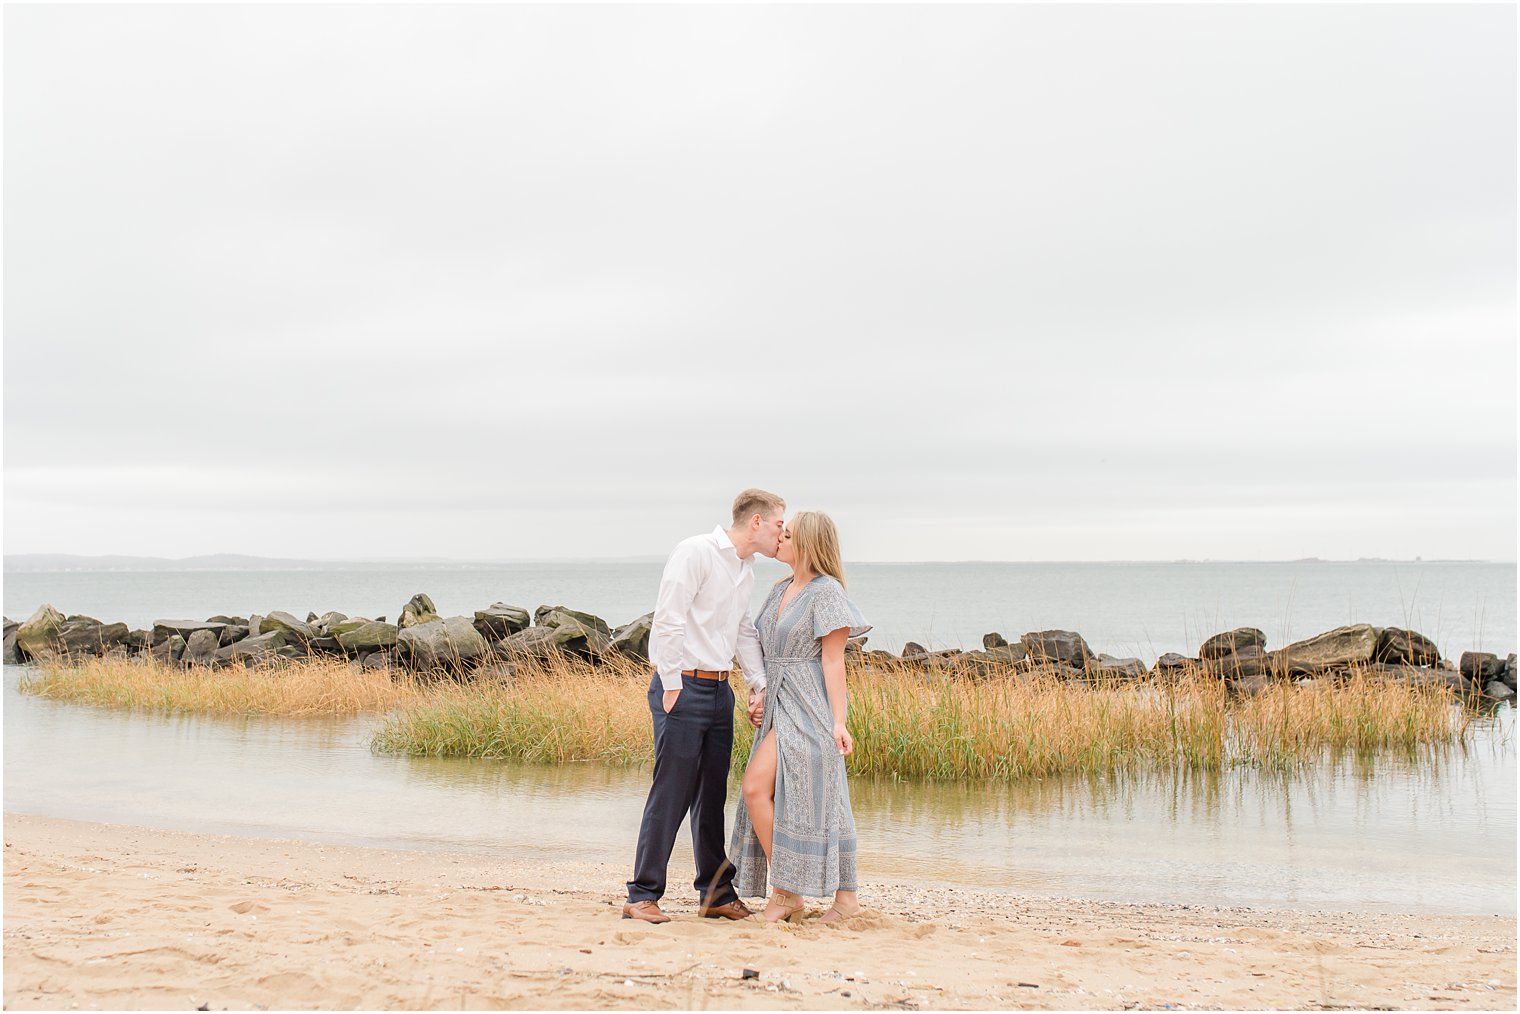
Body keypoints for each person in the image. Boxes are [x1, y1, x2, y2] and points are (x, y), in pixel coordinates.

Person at [622, 488, 785, 924]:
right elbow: (669, 617)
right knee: (671, 792)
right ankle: (642, 894)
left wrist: (759, 683)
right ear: (756, 522)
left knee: (711, 797)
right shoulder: (695, 552)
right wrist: (672, 685)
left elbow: (742, 630)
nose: (781, 533)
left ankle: (714, 894)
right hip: (683, 688)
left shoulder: (745, 568)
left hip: (719, 692)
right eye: (778, 524)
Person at [729, 510, 869, 924]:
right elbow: (764, 650)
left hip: (808, 707)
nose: (779, 539)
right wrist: (760, 693)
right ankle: (836, 899)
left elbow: (833, 662)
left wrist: (838, 722)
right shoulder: (780, 588)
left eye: (787, 535)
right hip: (778, 703)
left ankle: (792, 893)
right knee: (787, 795)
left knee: (788, 793)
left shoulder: (826, 593)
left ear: (807, 544)